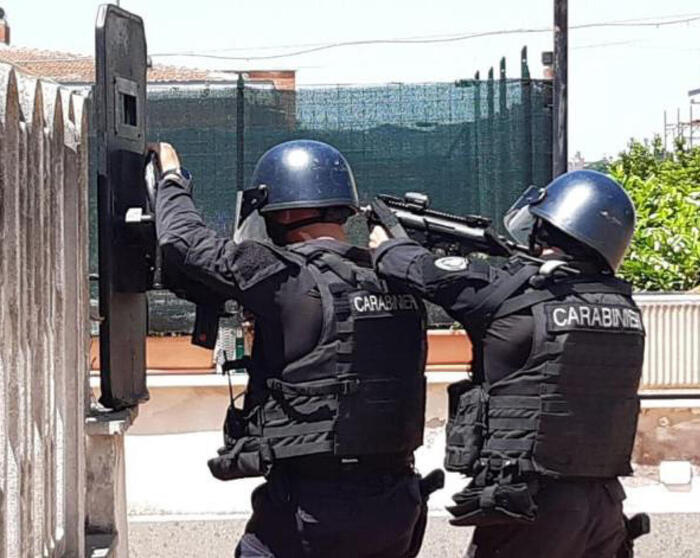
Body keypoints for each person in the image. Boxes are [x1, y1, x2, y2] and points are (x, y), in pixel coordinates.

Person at [150, 139, 440, 558]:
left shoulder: (284, 276)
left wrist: (173, 178)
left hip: (313, 509)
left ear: (283, 214)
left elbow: (184, 242)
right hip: (397, 506)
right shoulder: (396, 280)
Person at [369, 170, 646, 558]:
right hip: (604, 505)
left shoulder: (513, 294)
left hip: (531, 505)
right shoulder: (623, 308)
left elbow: (413, 268)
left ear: (547, 231)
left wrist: (386, 244)